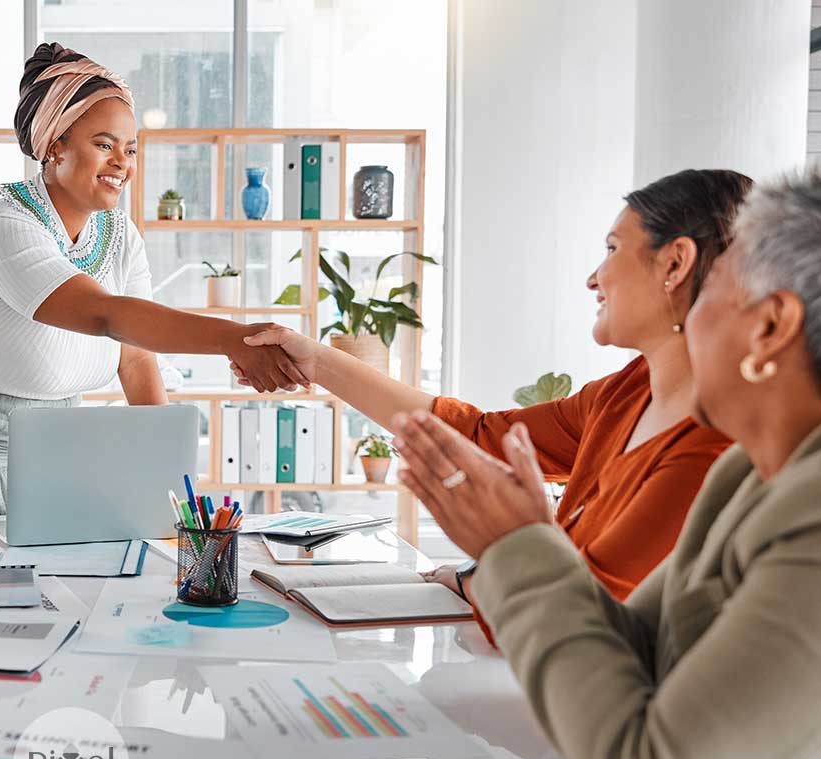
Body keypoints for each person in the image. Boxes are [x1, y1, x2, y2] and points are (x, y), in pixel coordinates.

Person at [389, 166, 821, 759]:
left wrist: (517, 545)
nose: (695, 306)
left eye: (716, 286)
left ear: (769, 328)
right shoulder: (748, 474)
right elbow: (632, 643)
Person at [237, 169, 749, 620]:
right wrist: (319, 361)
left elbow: (591, 610)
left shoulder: (715, 447)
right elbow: (480, 435)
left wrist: (475, 573)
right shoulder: (628, 391)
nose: (594, 277)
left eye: (613, 249)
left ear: (675, 264)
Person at [0, 42, 305, 515]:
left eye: (131, 148)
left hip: (50, 449)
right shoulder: (4, 228)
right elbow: (104, 315)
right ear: (54, 146)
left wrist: (169, 486)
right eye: (104, 144)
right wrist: (234, 339)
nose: (122, 162)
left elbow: (136, 357)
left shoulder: (120, 234)